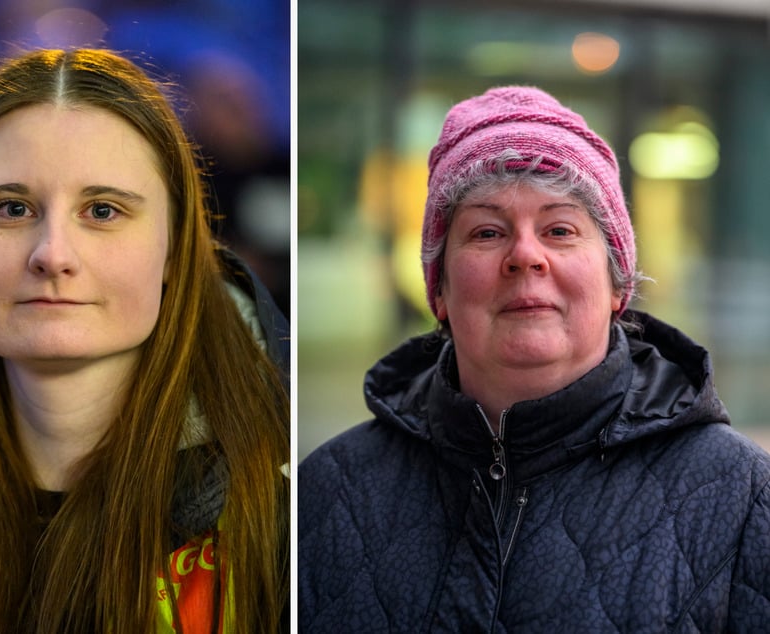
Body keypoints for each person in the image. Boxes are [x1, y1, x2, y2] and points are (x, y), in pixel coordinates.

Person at [0, 48, 289, 633]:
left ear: (174, 246)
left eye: (102, 210)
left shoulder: (294, 502)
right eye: (12, 208)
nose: (53, 255)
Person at [298, 86, 770, 631]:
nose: (525, 255)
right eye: (488, 232)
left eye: (560, 230)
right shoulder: (326, 492)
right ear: (440, 291)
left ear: (618, 284)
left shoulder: (741, 497)